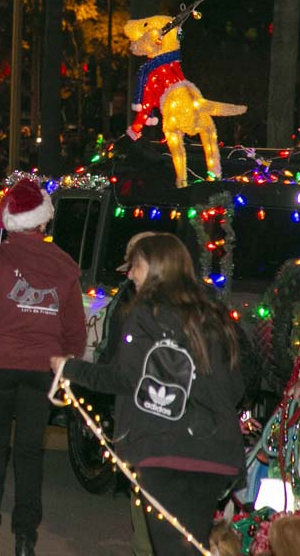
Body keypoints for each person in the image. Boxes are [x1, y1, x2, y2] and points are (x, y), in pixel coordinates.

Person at [55, 234, 244, 556]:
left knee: (173, 548)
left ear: (157, 268)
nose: (129, 275)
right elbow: (238, 384)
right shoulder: (215, 315)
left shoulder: (144, 314)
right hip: (217, 453)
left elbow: (125, 378)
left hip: (165, 450)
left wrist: (69, 368)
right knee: (192, 545)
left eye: (136, 266)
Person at [0, 177, 85, 556]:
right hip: (43, 368)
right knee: (29, 452)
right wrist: (67, 366)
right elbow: (74, 328)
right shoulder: (65, 265)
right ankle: (25, 536)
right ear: (44, 220)